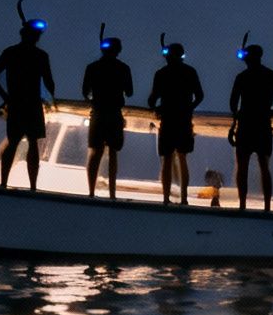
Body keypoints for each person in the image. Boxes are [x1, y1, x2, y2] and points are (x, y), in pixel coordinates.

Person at [0, 13, 56, 191]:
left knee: (14, 142)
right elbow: (50, 83)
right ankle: (32, 187)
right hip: (32, 104)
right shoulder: (40, 56)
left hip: (17, 103)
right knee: (31, 144)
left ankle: (4, 183)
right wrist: (49, 99)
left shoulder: (11, 52)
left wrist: (6, 97)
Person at [228, 43, 273, 211]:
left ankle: (242, 205)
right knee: (264, 167)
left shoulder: (242, 77)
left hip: (246, 126)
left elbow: (233, 103)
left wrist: (236, 117)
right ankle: (267, 207)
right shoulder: (269, 75)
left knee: (242, 167)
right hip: (263, 125)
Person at [146, 39, 203, 205]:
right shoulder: (190, 72)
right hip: (184, 120)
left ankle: (166, 198)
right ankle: (184, 198)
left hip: (168, 120)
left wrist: (157, 107)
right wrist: (189, 108)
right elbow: (200, 95)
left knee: (167, 159)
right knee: (183, 158)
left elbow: (152, 100)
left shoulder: (161, 74)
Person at [82, 32, 133, 199]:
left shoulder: (92, 67)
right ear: (118, 50)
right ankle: (112, 193)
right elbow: (130, 92)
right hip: (114, 114)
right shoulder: (124, 68)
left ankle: (91, 192)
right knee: (113, 153)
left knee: (95, 152)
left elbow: (85, 92)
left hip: (97, 114)